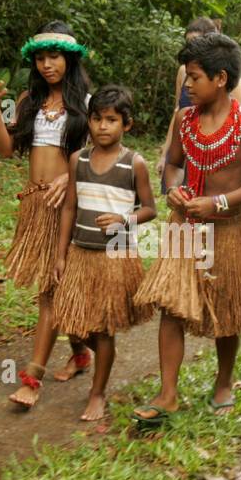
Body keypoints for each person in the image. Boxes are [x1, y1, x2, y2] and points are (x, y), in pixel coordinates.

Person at [133, 33, 241, 428]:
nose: (187, 86)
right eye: (186, 78)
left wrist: (220, 202)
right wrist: (176, 189)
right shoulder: (185, 119)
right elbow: (175, 164)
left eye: (194, 77)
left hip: (227, 229)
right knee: (171, 306)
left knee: (227, 311)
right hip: (185, 228)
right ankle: (168, 393)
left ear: (221, 78)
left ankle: (224, 382)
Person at [0, 22, 93, 407]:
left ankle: (32, 378)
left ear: (70, 60)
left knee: (50, 290)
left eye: (55, 57)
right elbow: (4, 148)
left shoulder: (88, 104)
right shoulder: (27, 100)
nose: (48, 64)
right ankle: (82, 352)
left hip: (68, 205)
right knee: (53, 285)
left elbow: (104, 155)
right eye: (42, 58)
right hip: (36, 205)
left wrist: (71, 174)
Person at [53, 86, 157, 421]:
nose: (102, 126)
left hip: (115, 255)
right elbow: (69, 207)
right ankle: (94, 357)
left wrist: (124, 219)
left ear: (126, 124)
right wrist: (60, 253)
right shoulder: (78, 160)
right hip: (81, 252)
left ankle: (97, 394)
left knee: (103, 328)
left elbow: (150, 209)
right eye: (97, 119)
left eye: (111, 120)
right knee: (74, 322)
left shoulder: (133, 164)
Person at [156, 17, 241, 184]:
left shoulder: (230, 84)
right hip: (185, 146)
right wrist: (166, 153)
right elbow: (177, 110)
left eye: (196, 42)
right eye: (188, 43)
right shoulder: (183, 74)